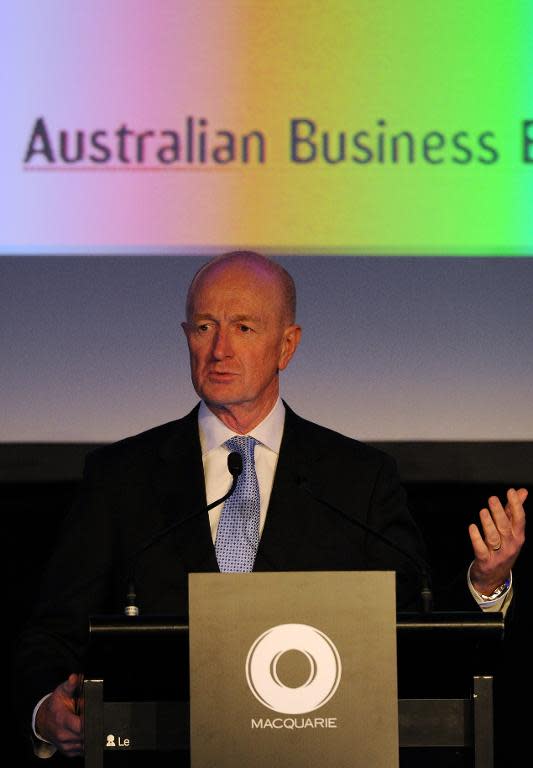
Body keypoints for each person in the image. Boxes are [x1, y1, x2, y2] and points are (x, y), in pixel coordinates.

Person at [14, 250, 527, 760]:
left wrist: (483, 586)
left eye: (243, 328)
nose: (218, 350)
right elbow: (55, 631)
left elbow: (410, 631)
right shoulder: (119, 477)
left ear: (287, 346)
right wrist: (44, 710)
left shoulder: (357, 480)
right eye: (203, 327)